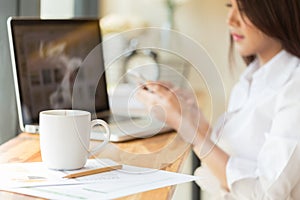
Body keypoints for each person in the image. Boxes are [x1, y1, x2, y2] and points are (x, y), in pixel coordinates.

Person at [137, 0, 300, 199]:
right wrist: (192, 116)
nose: (230, 19)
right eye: (229, 6)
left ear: (279, 12)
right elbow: (234, 158)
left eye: (245, 10)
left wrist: (188, 127)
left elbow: (265, 193)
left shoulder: (294, 85)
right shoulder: (253, 76)